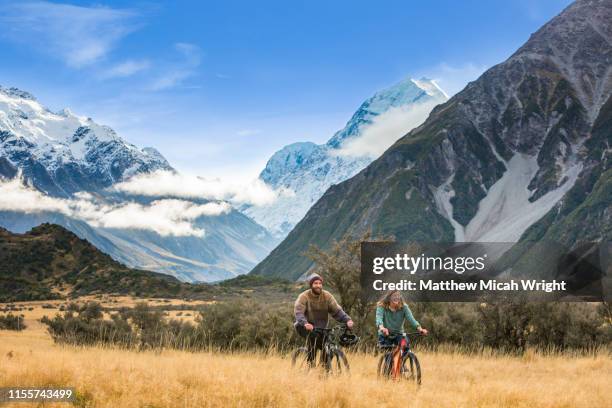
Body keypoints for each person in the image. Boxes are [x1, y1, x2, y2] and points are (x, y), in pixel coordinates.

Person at [294, 273, 354, 365]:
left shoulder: (327, 296)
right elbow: (299, 312)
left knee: (328, 347)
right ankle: (311, 366)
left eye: (320, 283)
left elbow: (337, 311)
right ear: (311, 285)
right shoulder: (304, 296)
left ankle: (324, 368)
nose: (318, 285)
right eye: (315, 283)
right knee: (313, 341)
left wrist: (347, 320)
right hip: (303, 326)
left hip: (321, 328)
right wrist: (305, 323)